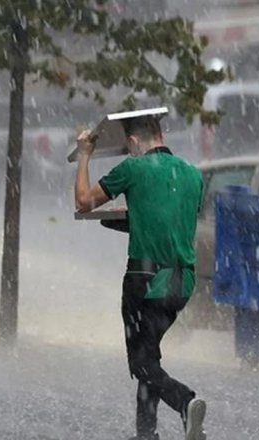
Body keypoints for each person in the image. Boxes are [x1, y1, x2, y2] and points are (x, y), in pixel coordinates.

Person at [74, 114, 207, 440]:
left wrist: (83, 156)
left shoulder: (133, 169)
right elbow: (170, 221)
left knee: (141, 364)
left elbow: (83, 201)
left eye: (129, 147)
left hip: (145, 280)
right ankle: (145, 435)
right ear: (161, 133)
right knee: (150, 355)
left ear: (133, 142)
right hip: (182, 283)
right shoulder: (193, 175)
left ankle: (184, 400)